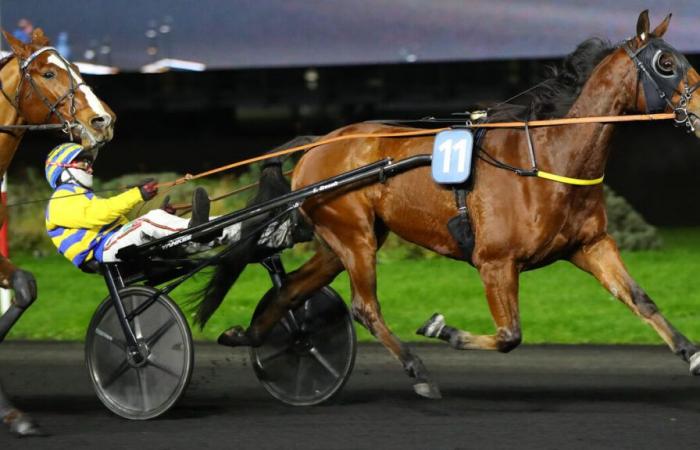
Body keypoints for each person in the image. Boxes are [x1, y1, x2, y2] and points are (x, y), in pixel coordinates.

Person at [44, 142, 236, 270]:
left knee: (161, 220)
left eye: (89, 163)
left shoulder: (84, 197)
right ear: (62, 169)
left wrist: (165, 216)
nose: (90, 168)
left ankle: (246, 229)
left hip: (113, 244)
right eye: (83, 163)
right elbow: (100, 215)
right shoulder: (59, 201)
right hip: (102, 251)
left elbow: (119, 223)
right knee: (150, 221)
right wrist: (137, 194)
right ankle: (196, 229)